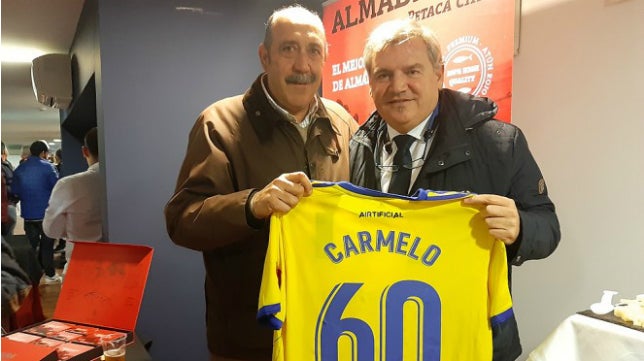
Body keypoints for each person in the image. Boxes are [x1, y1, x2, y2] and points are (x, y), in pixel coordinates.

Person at [349, 19, 561, 361]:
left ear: (439, 74)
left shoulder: (500, 143)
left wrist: (521, 227)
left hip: (472, 339)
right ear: (370, 83)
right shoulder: (357, 147)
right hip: (384, 337)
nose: (398, 86)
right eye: (383, 75)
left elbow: (548, 227)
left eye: (412, 71)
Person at [164, 5, 358, 361]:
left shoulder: (344, 123)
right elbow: (181, 221)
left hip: (330, 331)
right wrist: (252, 205)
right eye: (288, 49)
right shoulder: (219, 123)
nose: (302, 65)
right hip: (250, 340)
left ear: (325, 58)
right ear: (264, 56)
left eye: (313, 50)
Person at [43, 128, 103, 275]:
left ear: (85, 151)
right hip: (127, 268)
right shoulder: (138, 183)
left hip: (82, 268)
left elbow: (52, 230)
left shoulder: (69, 185)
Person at [12, 140, 60, 284]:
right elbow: (57, 188)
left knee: (31, 246)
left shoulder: (20, 169)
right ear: (43, 153)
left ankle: (31, 276)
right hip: (46, 214)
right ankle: (50, 275)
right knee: (47, 246)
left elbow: (15, 191)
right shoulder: (49, 167)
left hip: (28, 215)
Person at [1, 142, 19, 235]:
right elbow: (13, 187)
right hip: (6, 206)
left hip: (6, 206)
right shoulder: (6, 166)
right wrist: (14, 201)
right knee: (7, 238)